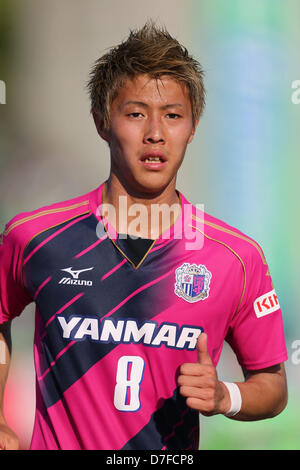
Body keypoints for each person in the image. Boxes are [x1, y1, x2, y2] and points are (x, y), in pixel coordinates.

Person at [0, 21, 288, 451]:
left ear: (192, 127)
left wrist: (226, 396)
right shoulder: (35, 236)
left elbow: (273, 384)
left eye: (173, 115)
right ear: (102, 121)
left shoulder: (235, 257)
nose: (156, 132)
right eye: (136, 114)